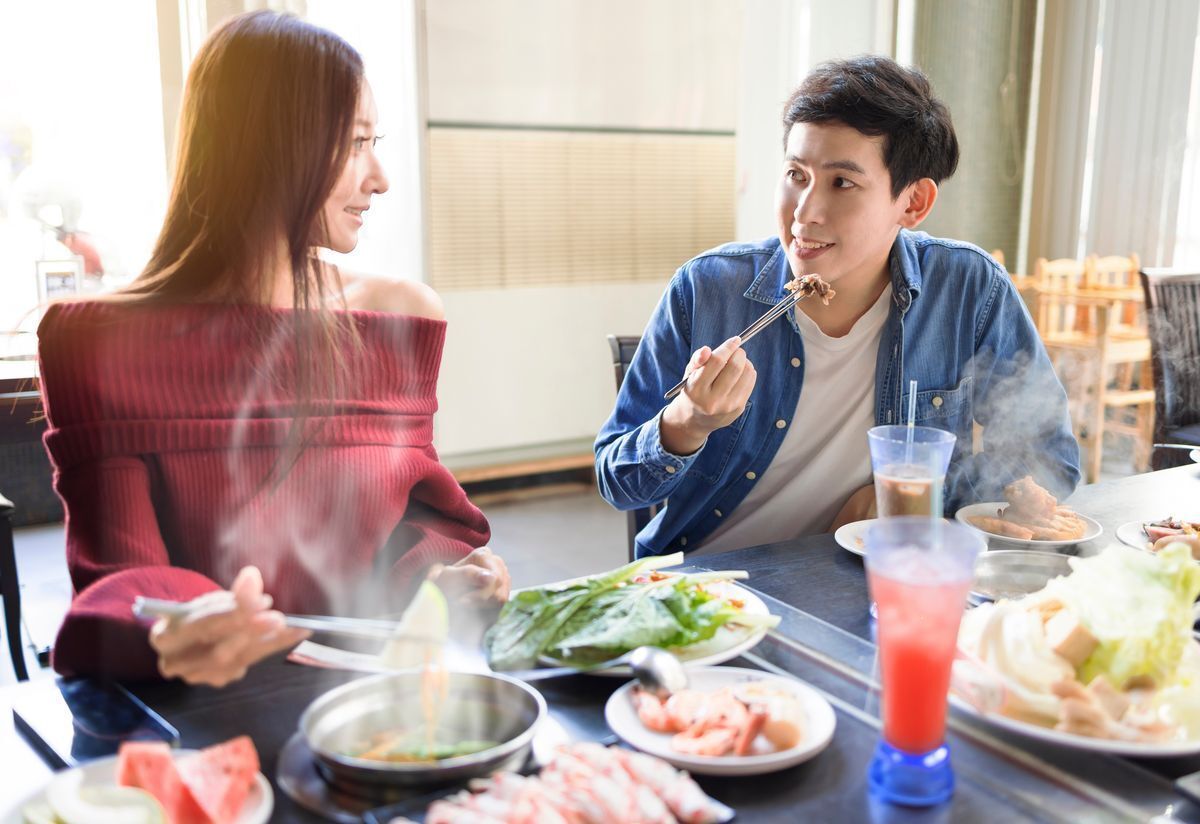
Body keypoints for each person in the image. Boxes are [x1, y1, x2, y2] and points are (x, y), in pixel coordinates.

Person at [37, 10, 509, 686]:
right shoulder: (96, 342)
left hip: (375, 698)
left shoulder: (400, 315)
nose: (380, 178)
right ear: (270, 148)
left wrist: (442, 575)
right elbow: (120, 572)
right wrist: (176, 625)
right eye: (354, 144)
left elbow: (414, 518)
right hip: (204, 704)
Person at [595, 56, 1080, 559]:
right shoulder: (707, 288)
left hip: (870, 580)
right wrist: (688, 423)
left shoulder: (968, 289)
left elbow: (1049, 459)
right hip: (712, 583)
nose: (804, 213)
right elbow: (617, 482)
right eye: (796, 174)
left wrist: (912, 496)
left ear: (913, 202)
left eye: (841, 183)